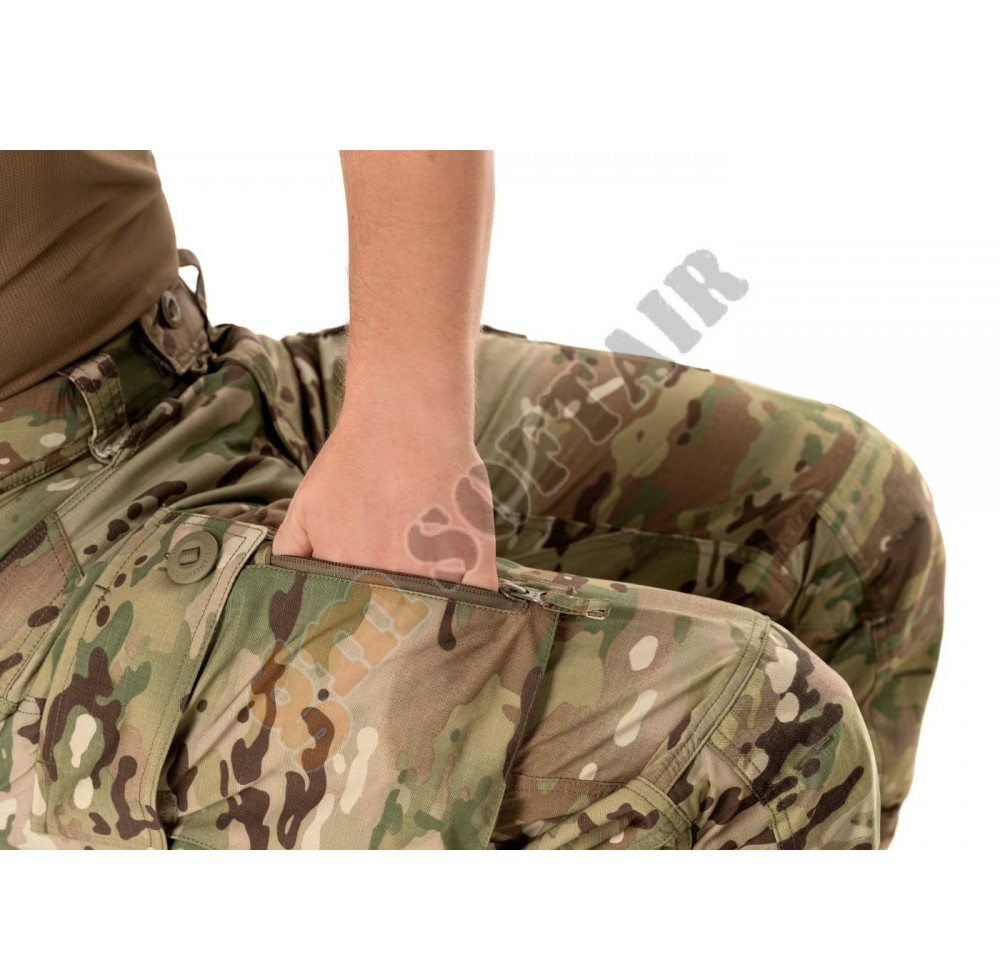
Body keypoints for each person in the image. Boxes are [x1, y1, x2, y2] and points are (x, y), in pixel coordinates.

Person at [0, 150, 944, 849]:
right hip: (28, 560)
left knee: (851, 527)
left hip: (185, 374)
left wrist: (405, 403)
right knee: (750, 738)